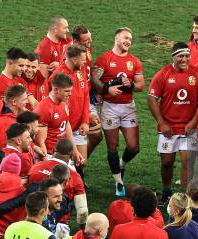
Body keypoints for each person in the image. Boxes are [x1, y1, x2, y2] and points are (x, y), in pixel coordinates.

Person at [148, 42, 198, 200]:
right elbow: (152, 99)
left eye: (187, 56)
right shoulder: (163, 74)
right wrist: (162, 123)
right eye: (181, 56)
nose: (184, 59)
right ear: (173, 57)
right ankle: (167, 191)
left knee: (187, 161)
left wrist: (194, 122)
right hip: (168, 129)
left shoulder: (197, 75)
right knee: (167, 162)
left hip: (188, 128)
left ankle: (185, 197)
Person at [91, 27, 144, 196]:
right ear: (116, 39)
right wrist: (107, 90)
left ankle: (121, 164)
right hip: (109, 107)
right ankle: (119, 183)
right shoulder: (104, 59)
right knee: (112, 146)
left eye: (130, 39)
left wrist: (132, 85)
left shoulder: (134, 61)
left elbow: (141, 85)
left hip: (128, 107)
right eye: (125, 38)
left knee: (134, 147)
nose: (128, 41)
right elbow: (94, 81)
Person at [28, 139, 88, 232]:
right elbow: (82, 210)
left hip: (32, 220)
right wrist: (83, 231)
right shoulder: (74, 176)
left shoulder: (35, 167)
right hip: (59, 225)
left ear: (52, 151)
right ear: (71, 156)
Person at [50, 44, 90, 171]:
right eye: (83, 60)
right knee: (64, 165)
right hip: (63, 128)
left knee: (82, 162)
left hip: (78, 126)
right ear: (74, 59)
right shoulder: (58, 75)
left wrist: (85, 121)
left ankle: (77, 181)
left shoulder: (80, 70)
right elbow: (52, 102)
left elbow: (85, 95)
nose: (85, 63)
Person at [71, 25, 102, 166]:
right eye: (86, 40)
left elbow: (87, 72)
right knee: (92, 134)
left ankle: (77, 165)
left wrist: (95, 92)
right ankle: (75, 166)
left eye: (90, 38)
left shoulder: (86, 50)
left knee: (96, 136)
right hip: (77, 100)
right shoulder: (70, 56)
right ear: (76, 41)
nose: (90, 42)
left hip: (87, 95)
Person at [34, 73, 83, 163]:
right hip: (50, 155)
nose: (70, 94)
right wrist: (46, 163)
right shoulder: (44, 109)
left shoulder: (64, 102)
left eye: (70, 90)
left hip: (62, 152)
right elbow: (40, 141)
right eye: (67, 91)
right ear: (56, 90)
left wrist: (75, 150)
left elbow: (66, 126)